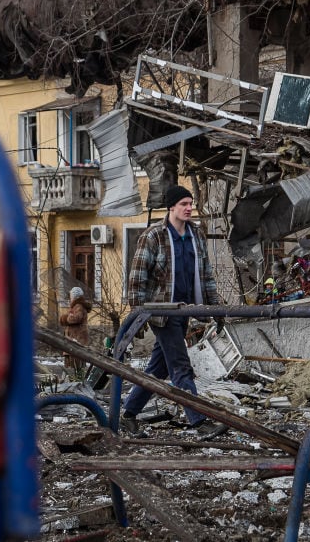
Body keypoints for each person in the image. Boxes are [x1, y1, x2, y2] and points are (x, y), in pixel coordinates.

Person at [120, 185, 228, 440]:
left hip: (184, 311)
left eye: (191, 203)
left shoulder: (196, 235)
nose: (189, 208)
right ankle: (199, 421)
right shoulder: (154, 236)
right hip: (162, 312)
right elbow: (137, 277)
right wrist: (139, 313)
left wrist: (216, 308)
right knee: (181, 367)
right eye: (184, 204)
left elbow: (206, 275)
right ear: (171, 207)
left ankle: (128, 414)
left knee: (158, 369)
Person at [59, 286, 92, 371]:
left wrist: (64, 318)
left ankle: (76, 382)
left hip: (76, 340)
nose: (70, 297)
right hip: (73, 340)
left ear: (74, 296)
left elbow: (76, 318)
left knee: (76, 367)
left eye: (71, 295)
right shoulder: (76, 306)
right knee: (72, 366)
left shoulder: (78, 306)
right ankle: (73, 381)